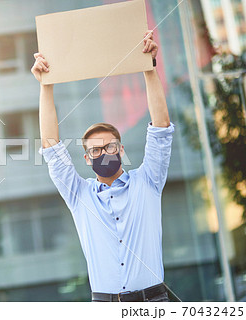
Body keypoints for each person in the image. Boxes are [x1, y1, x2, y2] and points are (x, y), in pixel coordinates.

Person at [31, 30, 175, 302]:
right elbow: (51, 146)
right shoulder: (79, 196)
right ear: (87, 159)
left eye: (109, 146)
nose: (104, 153)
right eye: (95, 150)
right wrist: (45, 85)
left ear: (121, 149)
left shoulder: (148, 181)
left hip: (153, 303)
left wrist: (149, 68)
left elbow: (161, 129)